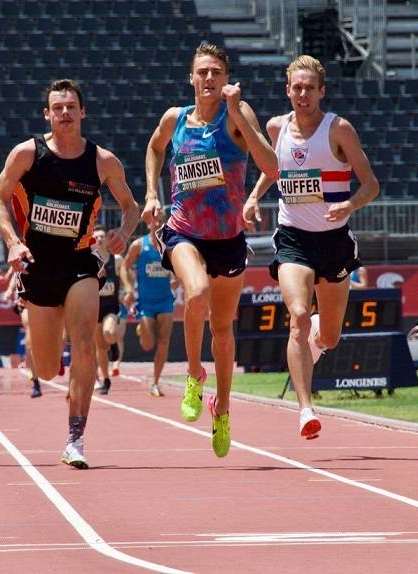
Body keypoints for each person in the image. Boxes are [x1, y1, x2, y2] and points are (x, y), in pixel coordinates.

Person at [0, 79, 139, 469]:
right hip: (38, 267)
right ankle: (51, 360)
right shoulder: (27, 154)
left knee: (85, 340)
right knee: (43, 366)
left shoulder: (102, 161)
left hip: (79, 263)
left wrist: (123, 233)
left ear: (83, 112)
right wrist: (12, 242)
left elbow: (130, 206)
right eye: (58, 108)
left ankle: (76, 437)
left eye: (72, 106)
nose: (65, 113)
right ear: (47, 114)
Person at [143, 42, 278, 457]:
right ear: (191, 78)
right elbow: (154, 148)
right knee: (196, 292)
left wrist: (239, 114)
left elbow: (272, 167)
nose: (208, 79)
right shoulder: (175, 118)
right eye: (202, 72)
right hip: (184, 230)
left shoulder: (238, 114)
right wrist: (152, 193)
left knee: (222, 330)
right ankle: (193, 375)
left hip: (228, 238)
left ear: (226, 79)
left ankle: (222, 409)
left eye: (216, 72)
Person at [243, 55, 379, 440]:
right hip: (293, 238)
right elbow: (274, 169)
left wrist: (351, 204)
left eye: (309, 87)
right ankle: (305, 408)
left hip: (334, 241)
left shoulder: (339, 130)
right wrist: (254, 197)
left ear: (321, 91)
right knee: (298, 315)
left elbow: (371, 184)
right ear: (287, 90)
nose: (302, 94)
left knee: (330, 336)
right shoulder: (276, 128)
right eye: (296, 87)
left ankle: (319, 334)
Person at [122, 210, 176, 397]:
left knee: (163, 341)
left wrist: (176, 278)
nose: (159, 224)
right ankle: (142, 329)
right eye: (155, 221)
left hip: (165, 301)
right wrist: (129, 287)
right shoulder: (139, 245)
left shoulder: (170, 246)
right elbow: (124, 266)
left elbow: (178, 269)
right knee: (147, 344)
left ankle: (155, 382)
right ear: (149, 224)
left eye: (162, 221)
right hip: (145, 302)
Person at [91, 224, 132, 396]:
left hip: (111, 307)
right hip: (93, 310)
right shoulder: (88, 260)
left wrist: (129, 290)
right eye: (96, 237)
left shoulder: (116, 260)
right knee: (99, 348)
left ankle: (114, 345)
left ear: (107, 239)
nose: (99, 239)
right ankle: (105, 380)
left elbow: (124, 278)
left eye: (102, 236)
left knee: (109, 332)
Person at [0, 266, 42, 398]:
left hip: (44, 299)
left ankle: (56, 358)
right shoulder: (18, 252)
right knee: (30, 338)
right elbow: (15, 271)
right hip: (25, 302)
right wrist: (9, 290)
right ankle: (36, 382)